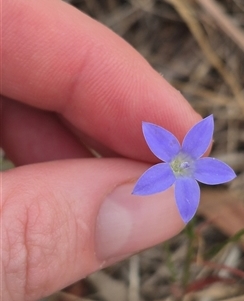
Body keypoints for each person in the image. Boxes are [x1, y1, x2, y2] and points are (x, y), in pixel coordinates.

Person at [1, 0, 204, 300]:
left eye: (181, 166)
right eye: (178, 164)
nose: (181, 166)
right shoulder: (162, 153)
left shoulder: (201, 169)